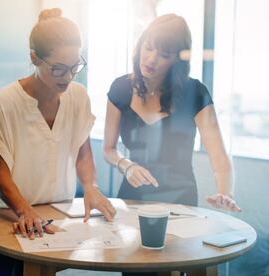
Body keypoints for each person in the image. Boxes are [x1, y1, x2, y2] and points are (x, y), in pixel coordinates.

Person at [0, 8, 116, 240]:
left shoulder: (78, 96)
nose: (67, 77)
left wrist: (91, 187)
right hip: (14, 211)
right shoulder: (6, 101)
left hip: (60, 210)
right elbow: (0, 174)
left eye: (74, 67)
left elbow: (82, 151)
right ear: (34, 58)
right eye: (58, 68)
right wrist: (25, 211)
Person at [103, 14, 241, 211]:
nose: (151, 59)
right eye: (148, 48)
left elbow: (219, 157)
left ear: (177, 59)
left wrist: (225, 194)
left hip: (180, 202)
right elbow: (108, 149)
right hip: (132, 198)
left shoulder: (195, 93)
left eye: (164, 55)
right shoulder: (120, 88)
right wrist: (127, 165)